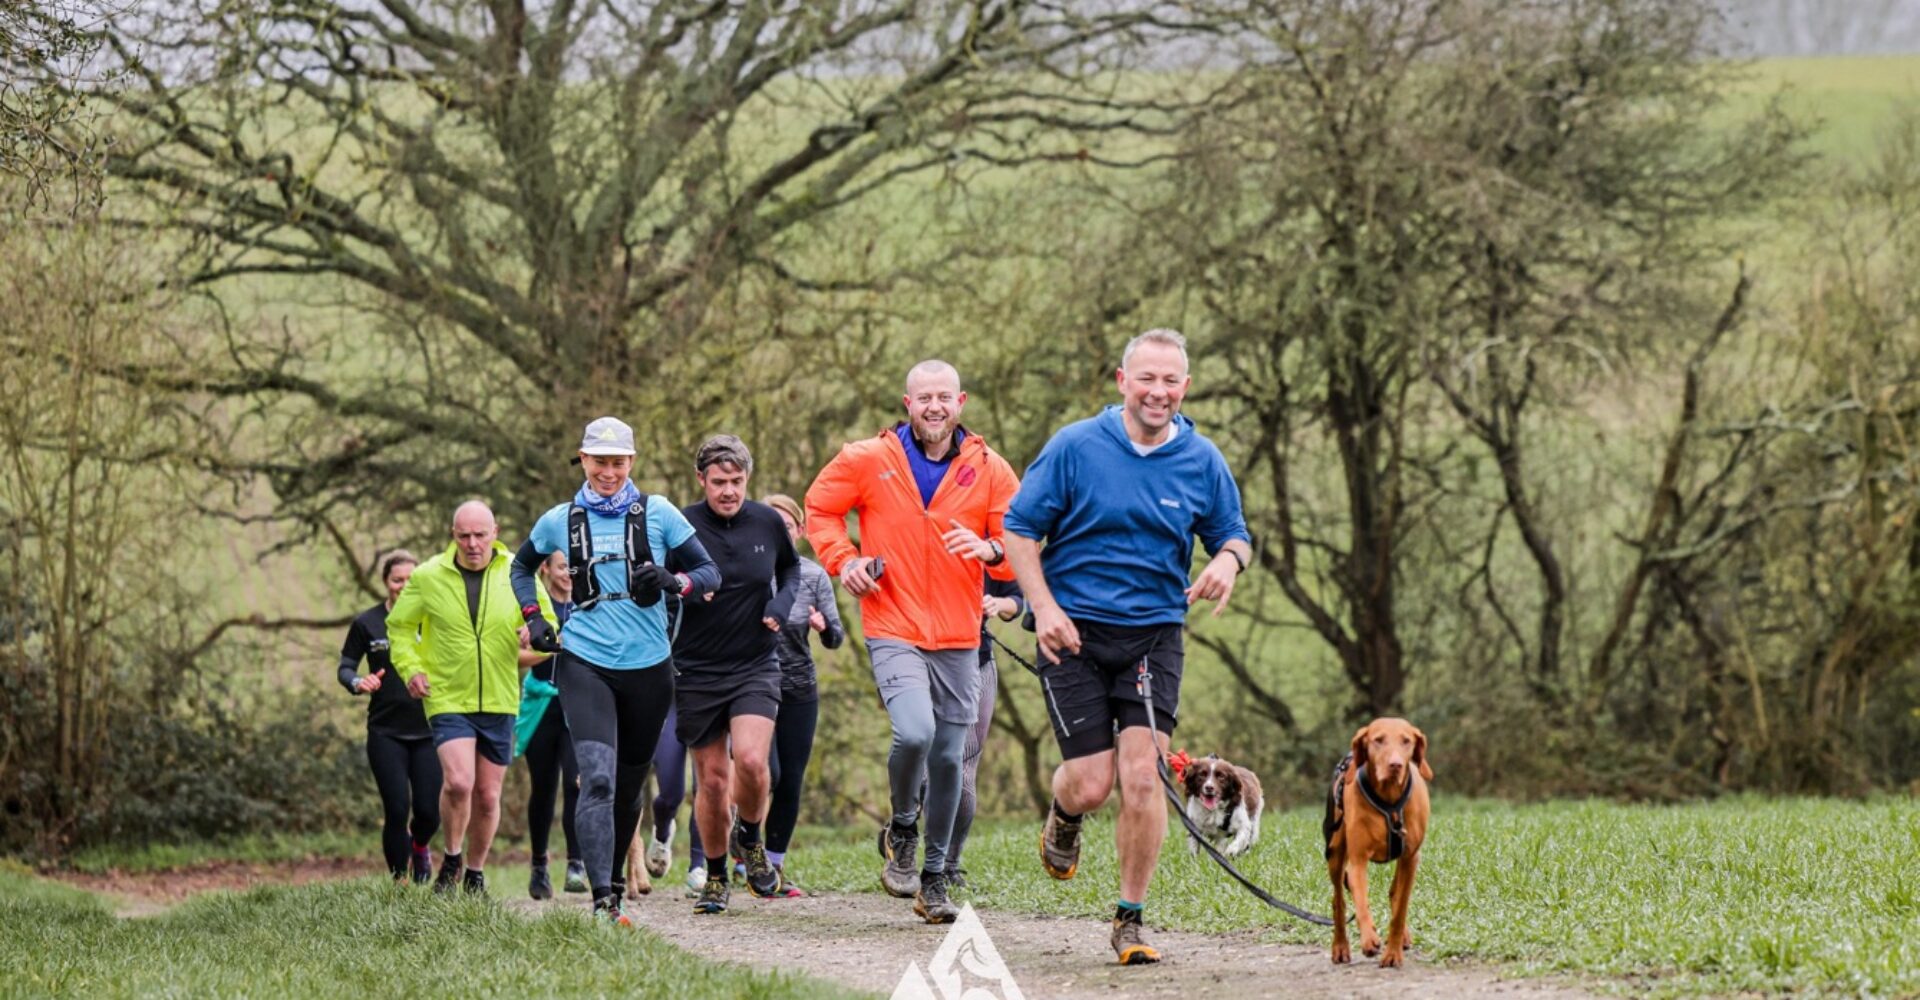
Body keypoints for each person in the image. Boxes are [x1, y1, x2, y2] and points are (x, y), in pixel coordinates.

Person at [1002, 328, 1252, 965]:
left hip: (1154, 635)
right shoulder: (1076, 446)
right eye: (1147, 378)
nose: (1158, 392)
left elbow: (1235, 534)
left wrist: (1228, 560)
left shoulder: (1202, 459)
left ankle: (1130, 920)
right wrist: (1045, 607)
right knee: (1091, 785)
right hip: (1074, 633)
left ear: (1185, 388)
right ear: (1122, 382)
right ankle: (1064, 814)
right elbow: (1020, 532)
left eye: (1171, 381)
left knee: (1143, 778)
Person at [805, 359, 1019, 924]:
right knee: (916, 732)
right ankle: (903, 825)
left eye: (943, 397)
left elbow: (1017, 535)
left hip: (958, 633)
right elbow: (819, 511)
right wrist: (843, 560)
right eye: (923, 397)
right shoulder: (868, 459)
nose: (933, 407)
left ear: (961, 402)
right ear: (907, 404)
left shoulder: (990, 468)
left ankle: (935, 877)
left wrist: (992, 552)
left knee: (950, 756)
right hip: (892, 623)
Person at [509, 416, 720, 926]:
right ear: (583, 460)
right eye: (599, 462)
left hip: (649, 669)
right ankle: (604, 901)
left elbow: (710, 573)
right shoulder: (559, 519)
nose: (609, 472)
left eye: (618, 463)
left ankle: (618, 888)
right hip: (584, 663)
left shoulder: (660, 513)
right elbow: (519, 568)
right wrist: (535, 618)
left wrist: (673, 581)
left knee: (628, 789)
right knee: (597, 780)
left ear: (632, 463)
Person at [389, 501, 558, 898]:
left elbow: (549, 632)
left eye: (480, 535)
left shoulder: (519, 573)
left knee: (487, 795)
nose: (472, 544)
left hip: (500, 696)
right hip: (447, 694)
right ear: (453, 535)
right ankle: (451, 856)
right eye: (464, 535)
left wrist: (533, 637)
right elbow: (399, 628)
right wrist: (411, 669)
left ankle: (475, 873)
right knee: (460, 782)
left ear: (494, 533)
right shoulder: (428, 576)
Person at [672, 435, 801, 914]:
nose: (728, 491)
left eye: (737, 481)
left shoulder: (767, 521)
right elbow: (659, 585)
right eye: (719, 482)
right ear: (701, 479)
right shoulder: (680, 525)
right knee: (712, 782)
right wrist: (680, 592)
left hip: (754, 662)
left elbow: (790, 572)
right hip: (697, 667)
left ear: (748, 479)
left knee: (751, 761)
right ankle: (715, 876)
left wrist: (781, 604)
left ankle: (750, 837)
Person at [335, 549, 442, 884]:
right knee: (397, 809)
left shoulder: (435, 618)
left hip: (430, 730)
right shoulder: (367, 623)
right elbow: (346, 667)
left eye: (411, 579)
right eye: (397, 580)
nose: (404, 585)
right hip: (386, 732)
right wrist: (357, 681)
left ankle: (420, 845)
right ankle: (400, 882)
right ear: (385, 583)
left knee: (428, 812)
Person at [760, 492, 846, 894]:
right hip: (752, 686)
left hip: (799, 688)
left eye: (788, 527)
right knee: (765, 773)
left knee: (790, 780)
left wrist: (822, 626)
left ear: (800, 531)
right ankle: (744, 842)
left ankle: (774, 866)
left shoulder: (812, 576)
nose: (780, 533)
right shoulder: (747, 571)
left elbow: (836, 637)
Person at [946, 575, 1023, 887]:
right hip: (928, 662)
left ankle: (949, 864)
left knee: (964, 768)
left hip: (978, 662)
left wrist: (997, 603)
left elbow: (1016, 598)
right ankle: (904, 828)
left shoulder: (990, 545)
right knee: (931, 766)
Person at [519, 551, 586, 899]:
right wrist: (554, 649)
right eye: (562, 567)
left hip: (576, 704)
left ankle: (576, 862)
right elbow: (517, 656)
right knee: (543, 787)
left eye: (573, 568)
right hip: (542, 706)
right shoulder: (533, 610)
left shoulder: (587, 606)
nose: (568, 574)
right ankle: (539, 865)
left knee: (577, 782)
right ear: (545, 568)